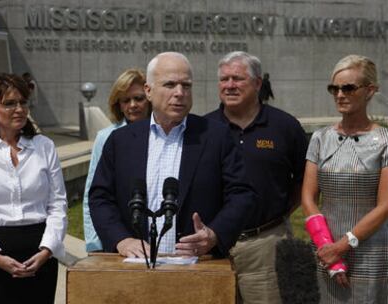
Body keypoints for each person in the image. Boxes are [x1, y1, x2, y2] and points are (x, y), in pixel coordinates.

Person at [89, 52, 257, 258]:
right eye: (169, 85)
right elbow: (100, 198)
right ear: (148, 91)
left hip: (197, 266)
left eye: (186, 86)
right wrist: (121, 239)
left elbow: (242, 194)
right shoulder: (120, 140)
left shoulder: (216, 136)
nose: (179, 93)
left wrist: (214, 235)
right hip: (133, 267)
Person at [205, 51, 308, 304]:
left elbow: (305, 181)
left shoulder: (285, 127)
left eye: (238, 79)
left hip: (265, 246)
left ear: (257, 83)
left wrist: (280, 214)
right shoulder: (202, 128)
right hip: (212, 247)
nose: (229, 85)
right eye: (224, 79)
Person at [301, 55, 388, 303]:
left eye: (348, 88)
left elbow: (385, 206)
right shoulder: (320, 138)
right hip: (325, 250)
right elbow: (308, 198)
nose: (340, 94)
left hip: (371, 251)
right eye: (334, 88)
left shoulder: (385, 141)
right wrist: (330, 250)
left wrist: (343, 246)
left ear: (370, 90)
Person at [0, 73, 68, 304]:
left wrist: (47, 251)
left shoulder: (44, 146)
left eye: (23, 102)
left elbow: (58, 204)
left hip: (40, 256)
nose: (19, 109)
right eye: (9, 103)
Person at [83, 68, 150, 252]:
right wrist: (94, 244)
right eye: (125, 100)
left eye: (138, 98)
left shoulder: (163, 135)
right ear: (118, 104)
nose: (132, 105)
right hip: (118, 238)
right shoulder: (106, 137)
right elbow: (93, 193)